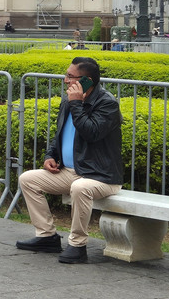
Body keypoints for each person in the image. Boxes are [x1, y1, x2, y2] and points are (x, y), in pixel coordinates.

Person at [15, 56, 123, 264]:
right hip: (71, 172)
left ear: (87, 80)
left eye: (71, 77)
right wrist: (50, 156)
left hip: (101, 176)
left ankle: (77, 245)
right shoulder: (69, 100)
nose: (66, 80)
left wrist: (77, 104)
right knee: (28, 179)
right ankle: (47, 237)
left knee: (80, 188)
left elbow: (91, 133)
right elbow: (61, 135)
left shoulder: (107, 104)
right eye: (66, 75)